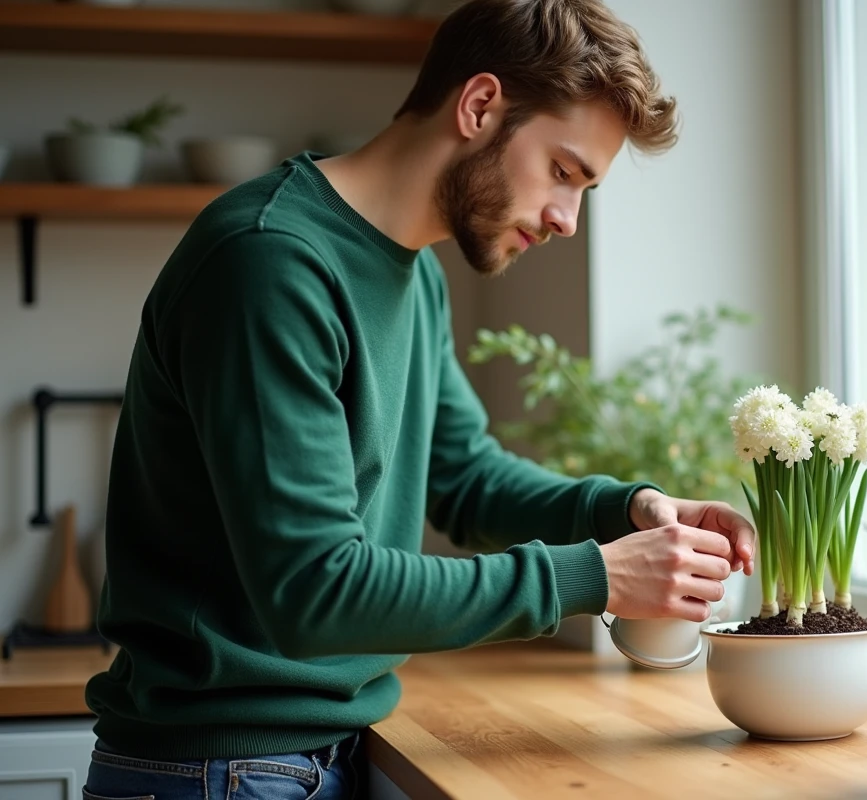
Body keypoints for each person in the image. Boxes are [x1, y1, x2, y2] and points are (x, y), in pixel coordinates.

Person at [82, 0, 756, 797]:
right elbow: (317, 589)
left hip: (318, 756)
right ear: (479, 106)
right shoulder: (270, 263)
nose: (568, 220)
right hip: (214, 770)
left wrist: (628, 509)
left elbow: (466, 479)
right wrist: (594, 578)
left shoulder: (414, 274)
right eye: (564, 173)